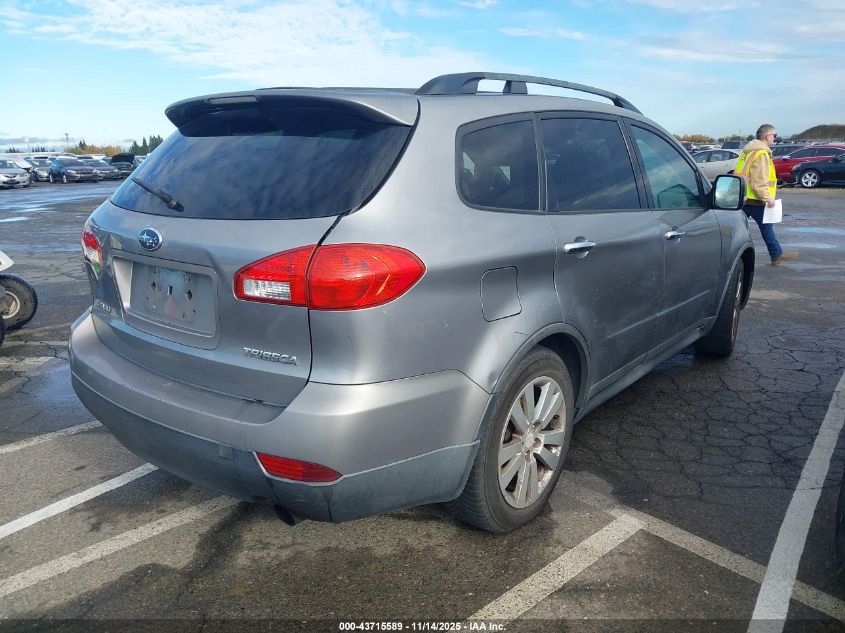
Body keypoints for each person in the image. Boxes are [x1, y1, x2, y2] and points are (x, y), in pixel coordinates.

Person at [734, 124, 797, 264]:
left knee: (738, 228)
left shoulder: (747, 151)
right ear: (767, 136)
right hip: (756, 199)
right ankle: (776, 255)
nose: (775, 138)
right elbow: (758, 181)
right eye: (774, 135)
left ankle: (774, 254)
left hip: (743, 196)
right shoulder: (761, 154)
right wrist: (768, 198)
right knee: (766, 227)